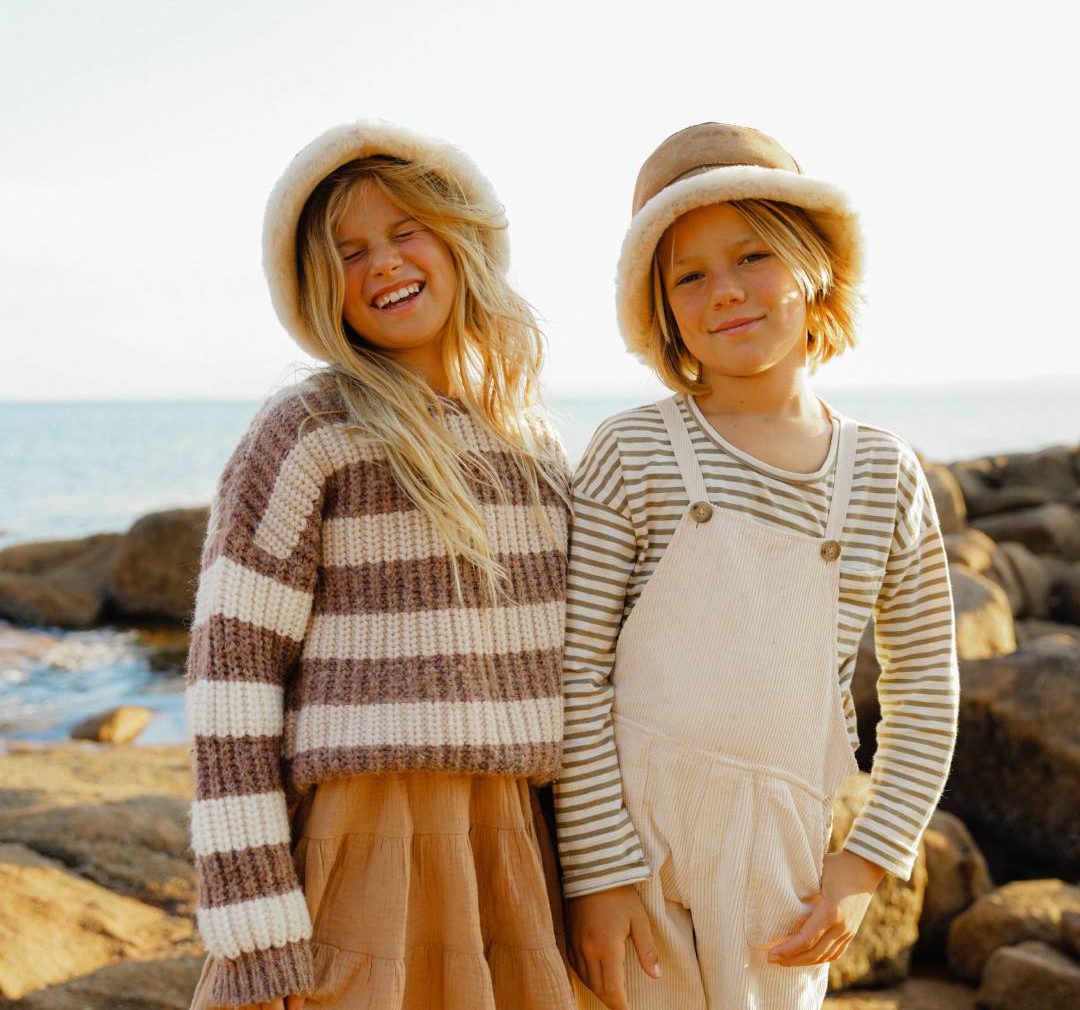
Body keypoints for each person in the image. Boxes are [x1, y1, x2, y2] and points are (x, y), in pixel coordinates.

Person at [553, 122, 959, 1009]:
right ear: (661, 309)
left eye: (752, 256)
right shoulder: (634, 451)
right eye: (687, 275)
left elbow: (925, 689)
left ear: (813, 264)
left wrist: (860, 867)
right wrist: (597, 871)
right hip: (629, 842)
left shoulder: (884, 475)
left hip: (780, 863)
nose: (724, 292)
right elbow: (575, 672)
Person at [186, 120, 576, 1010]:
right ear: (321, 286)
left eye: (406, 232)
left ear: (461, 238)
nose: (384, 265)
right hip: (359, 847)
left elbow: (584, 680)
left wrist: (599, 870)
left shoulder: (538, 449)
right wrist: (251, 928)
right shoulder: (307, 433)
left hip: (514, 849)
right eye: (350, 252)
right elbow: (231, 685)